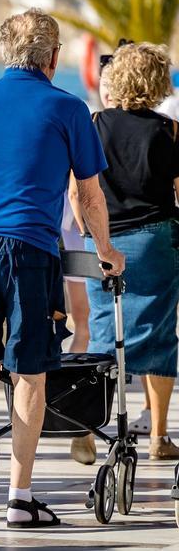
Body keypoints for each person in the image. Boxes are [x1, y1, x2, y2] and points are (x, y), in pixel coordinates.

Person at [0, 9, 124, 528]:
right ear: (53, 58)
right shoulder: (69, 107)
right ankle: (21, 496)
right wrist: (105, 249)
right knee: (29, 369)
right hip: (30, 246)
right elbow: (88, 192)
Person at [70, 42, 179, 461]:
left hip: (102, 239)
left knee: (103, 332)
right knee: (159, 332)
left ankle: (88, 428)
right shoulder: (168, 130)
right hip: (155, 238)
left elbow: (78, 192)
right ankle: (159, 437)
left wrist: (89, 237)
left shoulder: (93, 123)